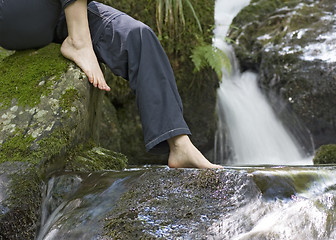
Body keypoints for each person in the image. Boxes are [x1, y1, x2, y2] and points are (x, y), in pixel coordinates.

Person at [0, 0, 222, 168]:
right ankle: (79, 41)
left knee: (138, 36)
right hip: (12, 12)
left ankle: (179, 144)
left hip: (57, 11)